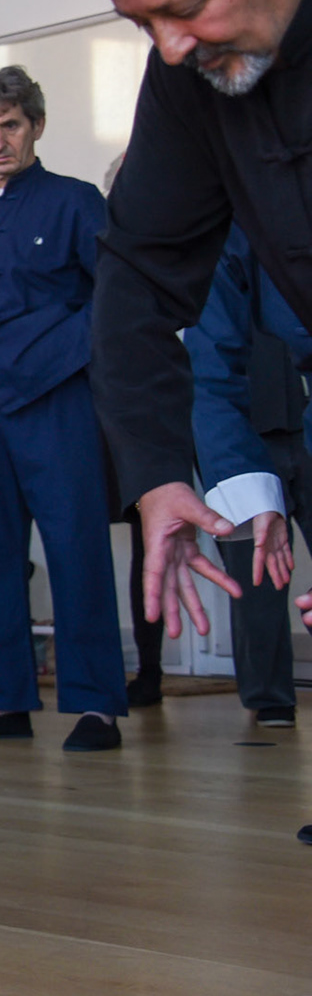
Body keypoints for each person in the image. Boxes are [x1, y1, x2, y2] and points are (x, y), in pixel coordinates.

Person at [90, 0, 312, 842]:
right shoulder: (191, 73)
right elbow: (139, 273)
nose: (170, 46)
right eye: (143, 24)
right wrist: (154, 472)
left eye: (182, 9)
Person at [0, 67, 125, 751]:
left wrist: (54, 354)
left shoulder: (74, 201)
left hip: (54, 398)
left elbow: (113, 295)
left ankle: (96, 706)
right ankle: (4, 700)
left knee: (74, 544)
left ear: (35, 125)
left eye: (9, 125)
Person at [185, 223, 305, 728]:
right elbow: (210, 364)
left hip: (302, 420)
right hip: (241, 433)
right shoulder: (225, 237)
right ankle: (268, 694)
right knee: (256, 572)